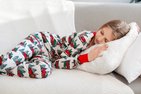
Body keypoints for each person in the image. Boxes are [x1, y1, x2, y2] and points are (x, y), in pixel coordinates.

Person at [0, 20, 130, 79]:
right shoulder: (83, 38)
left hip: (47, 56)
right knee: (7, 62)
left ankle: (4, 69)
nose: (100, 39)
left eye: (106, 40)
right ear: (101, 27)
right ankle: (4, 64)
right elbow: (59, 62)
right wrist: (86, 58)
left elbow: (52, 63)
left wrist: (134, 30)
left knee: (43, 71)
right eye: (101, 32)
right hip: (41, 41)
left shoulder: (95, 46)